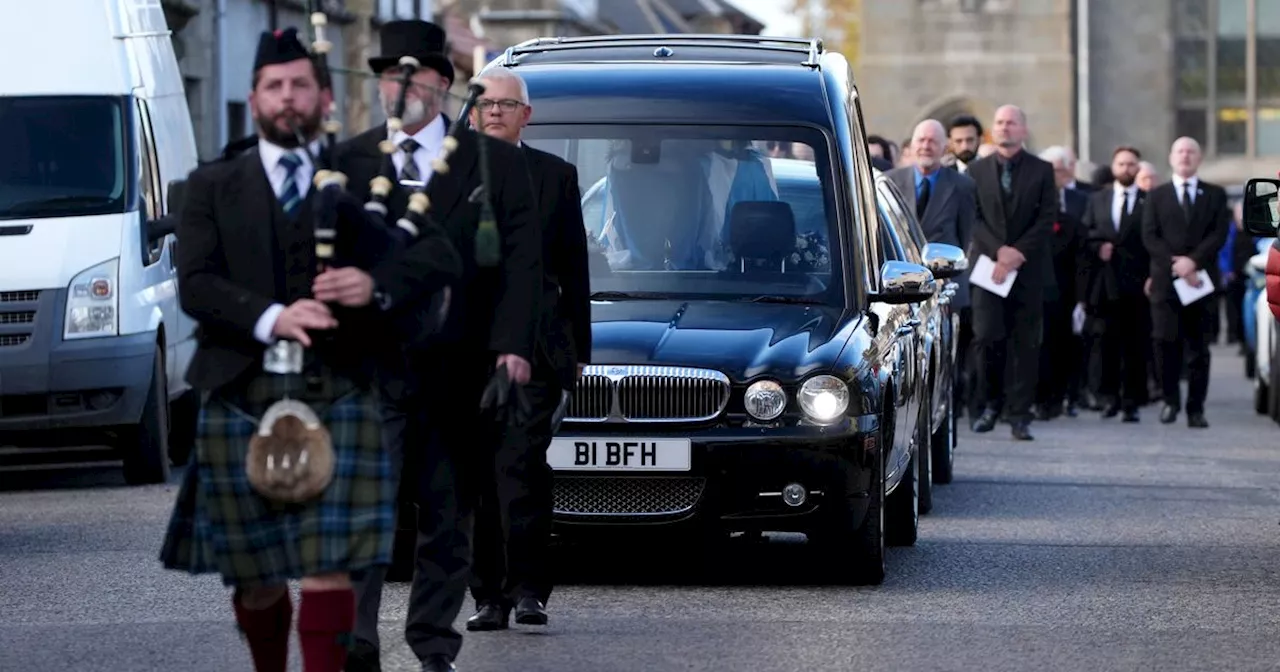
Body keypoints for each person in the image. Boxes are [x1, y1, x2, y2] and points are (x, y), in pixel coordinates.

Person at [157, 27, 461, 672]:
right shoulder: (212, 184)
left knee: (331, 567)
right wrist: (270, 315)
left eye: (300, 84)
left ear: (324, 97)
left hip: (344, 388)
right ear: (255, 97)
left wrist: (374, 284)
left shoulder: (361, 169)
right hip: (243, 388)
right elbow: (197, 284)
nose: (287, 97)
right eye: (274, 86)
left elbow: (435, 254)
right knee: (257, 576)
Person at [334, 20, 544, 672]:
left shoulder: (496, 162)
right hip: (373, 369)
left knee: (447, 517)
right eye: (390, 76)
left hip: (459, 366)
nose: (401, 87)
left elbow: (522, 263)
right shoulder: (350, 161)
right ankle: (358, 641)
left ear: (443, 84)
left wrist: (513, 345)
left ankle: (432, 645)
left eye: (415, 75)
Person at [464, 67, 591, 631]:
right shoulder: (444, 179)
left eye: (506, 105)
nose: (495, 112)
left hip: (535, 353)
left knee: (519, 467)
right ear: (471, 113)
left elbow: (575, 271)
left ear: (526, 115)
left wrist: (579, 352)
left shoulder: (557, 178)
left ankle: (529, 591)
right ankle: (486, 595)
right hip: (462, 354)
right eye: (485, 104)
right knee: (475, 476)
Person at [965, 104, 1057, 441]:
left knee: (1025, 343)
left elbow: (1047, 218)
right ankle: (990, 404)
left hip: (1028, 270)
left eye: (1011, 123)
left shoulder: (1042, 170)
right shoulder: (976, 171)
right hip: (988, 269)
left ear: (1023, 130)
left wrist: (1017, 253)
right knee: (987, 337)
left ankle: (1020, 415)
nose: (1004, 128)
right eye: (1000, 123)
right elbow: (973, 218)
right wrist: (998, 251)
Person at [886, 119, 976, 417]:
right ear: (912, 145)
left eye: (932, 141)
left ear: (943, 147)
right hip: (900, 286)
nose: (926, 146)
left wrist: (949, 275)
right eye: (921, 140)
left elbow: (965, 237)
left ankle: (947, 407)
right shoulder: (890, 181)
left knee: (944, 356)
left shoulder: (962, 185)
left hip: (942, 286)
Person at [1141, 136, 1231, 428]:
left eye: (1191, 151)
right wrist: (1176, 263)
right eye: (1180, 151)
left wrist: (1193, 262)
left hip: (1200, 282)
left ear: (1199, 157)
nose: (1185, 156)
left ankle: (1195, 408)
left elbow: (1218, 235)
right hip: (1166, 283)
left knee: (1198, 349)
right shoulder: (1157, 196)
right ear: (1171, 157)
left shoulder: (1215, 195)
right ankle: (1170, 401)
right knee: (1165, 344)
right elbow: (1150, 236)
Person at [1080, 146, 1151, 422]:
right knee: (1105, 345)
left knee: (1134, 347)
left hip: (1137, 285)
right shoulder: (1098, 199)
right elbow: (1086, 233)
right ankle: (1109, 398)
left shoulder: (1149, 200)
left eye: (1131, 164)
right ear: (1113, 167)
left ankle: (1132, 401)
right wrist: (1099, 248)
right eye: (1121, 164)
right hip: (1104, 285)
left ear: (1138, 168)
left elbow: (1153, 239)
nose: (1126, 169)